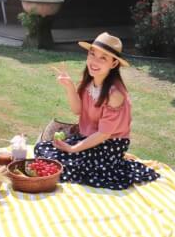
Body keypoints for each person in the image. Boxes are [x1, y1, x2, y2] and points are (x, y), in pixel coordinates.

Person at [34, 32, 160, 190]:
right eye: (92, 54)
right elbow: (77, 110)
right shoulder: (90, 82)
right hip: (87, 139)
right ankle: (76, 158)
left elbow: (103, 134)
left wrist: (73, 149)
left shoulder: (115, 94)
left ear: (114, 64)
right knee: (42, 148)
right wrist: (70, 87)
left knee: (66, 166)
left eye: (103, 58)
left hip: (108, 146)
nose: (94, 61)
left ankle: (93, 165)